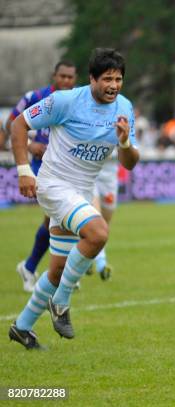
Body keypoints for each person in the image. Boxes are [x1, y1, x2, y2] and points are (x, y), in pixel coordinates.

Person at [8, 48, 139, 349]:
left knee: (56, 269)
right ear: (92, 78)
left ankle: (22, 327)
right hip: (54, 186)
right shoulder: (66, 101)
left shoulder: (124, 108)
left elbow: (129, 163)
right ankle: (62, 302)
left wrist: (125, 141)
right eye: (107, 78)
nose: (114, 85)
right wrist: (24, 170)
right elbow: (18, 125)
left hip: (81, 191)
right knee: (98, 232)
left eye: (118, 79)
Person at [5, 61, 77, 292]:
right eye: (62, 76)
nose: (66, 81)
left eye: (70, 77)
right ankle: (57, 271)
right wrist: (29, 144)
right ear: (54, 76)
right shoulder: (35, 97)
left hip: (67, 168)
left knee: (59, 219)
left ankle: (32, 267)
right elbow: (11, 123)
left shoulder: (76, 100)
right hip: (41, 169)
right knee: (56, 216)